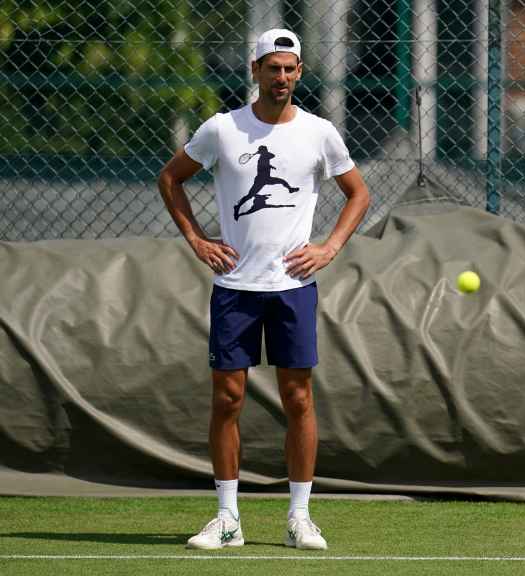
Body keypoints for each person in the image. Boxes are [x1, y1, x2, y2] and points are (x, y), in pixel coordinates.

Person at [157, 28, 370, 551]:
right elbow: (170, 178)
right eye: (272, 68)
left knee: (298, 398)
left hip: (294, 288)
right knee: (227, 398)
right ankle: (227, 518)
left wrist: (329, 248)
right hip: (234, 287)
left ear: (300, 74)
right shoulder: (222, 129)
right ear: (255, 71)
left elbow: (358, 193)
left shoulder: (320, 132)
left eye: (290, 69)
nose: (282, 78)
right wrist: (197, 239)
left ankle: (300, 517)